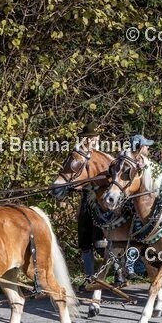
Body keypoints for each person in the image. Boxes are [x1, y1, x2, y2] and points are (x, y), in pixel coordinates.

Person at [75, 121, 105, 283]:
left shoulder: (102, 158)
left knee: (102, 242)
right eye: (87, 138)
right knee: (85, 241)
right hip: (86, 199)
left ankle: (114, 274)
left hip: (101, 202)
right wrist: (80, 208)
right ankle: (89, 277)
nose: (89, 141)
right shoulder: (80, 157)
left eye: (92, 138)